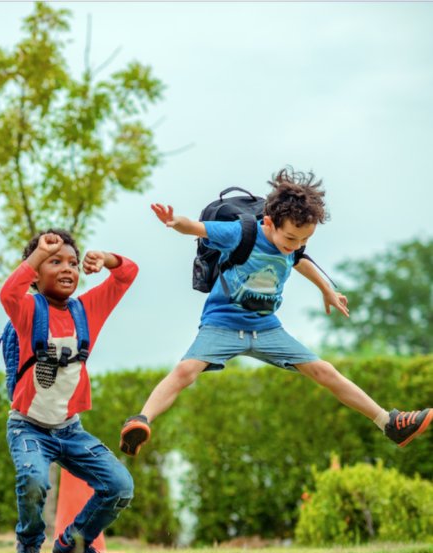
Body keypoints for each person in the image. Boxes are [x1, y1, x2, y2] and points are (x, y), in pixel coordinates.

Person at [120, 168, 431, 458]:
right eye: (291, 238)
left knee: (325, 371)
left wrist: (327, 290)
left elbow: (301, 261)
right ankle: (141, 420)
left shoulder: (292, 247)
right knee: (184, 372)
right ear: (269, 223)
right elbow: (197, 228)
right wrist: (176, 223)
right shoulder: (240, 234)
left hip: (267, 328)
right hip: (222, 324)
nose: (296, 245)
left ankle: (388, 423)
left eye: (305, 239)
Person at [1, 229, 138, 553]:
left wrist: (105, 259)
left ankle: (72, 545)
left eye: (73, 263)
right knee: (33, 480)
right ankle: (29, 547)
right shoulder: (28, 310)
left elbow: (128, 273)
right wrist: (34, 258)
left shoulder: (87, 310)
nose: (67, 269)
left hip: (70, 431)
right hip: (28, 429)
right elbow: (8, 292)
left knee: (120, 486)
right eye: (55, 261)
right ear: (35, 273)